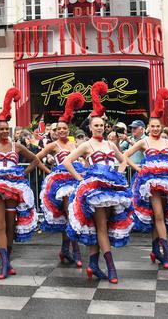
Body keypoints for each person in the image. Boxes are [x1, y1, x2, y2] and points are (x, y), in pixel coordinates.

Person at [0, 88, 48, 280]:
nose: (4, 131)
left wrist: (23, 173)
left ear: (9, 130)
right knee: (0, 224)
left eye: (6, 129)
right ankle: (4, 264)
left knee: (11, 225)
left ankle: (8, 260)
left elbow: (35, 160)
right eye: (1, 129)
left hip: (14, 187)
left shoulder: (17, 146)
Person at [64, 82, 136, 285]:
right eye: (95, 125)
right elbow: (67, 162)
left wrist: (118, 174)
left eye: (101, 125)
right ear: (90, 127)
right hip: (95, 191)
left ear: (105, 127)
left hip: (111, 189)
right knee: (102, 226)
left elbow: (123, 160)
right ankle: (111, 267)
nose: (99, 128)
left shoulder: (110, 144)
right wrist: (81, 179)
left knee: (102, 225)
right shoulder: (87, 145)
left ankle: (94, 264)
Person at [128, 88, 168, 270]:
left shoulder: (167, 142)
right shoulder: (144, 142)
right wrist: (137, 168)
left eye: (158, 126)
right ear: (148, 127)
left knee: (161, 216)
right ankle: (166, 252)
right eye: (153, 126)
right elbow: (125, 155)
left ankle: (155, 249)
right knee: (158, 215)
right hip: (150, 182)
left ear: (161, 127)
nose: (156, 129)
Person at [34, 91, 85, 267]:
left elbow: (84, 158)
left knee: (72, 215)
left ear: (68, 129)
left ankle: (65, 249)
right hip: (62, 184)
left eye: (64, 128)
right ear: (55, 131)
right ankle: (75, 251)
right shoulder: (53, 145)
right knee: (70, 215)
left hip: (76, 180)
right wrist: (49, 171)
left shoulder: (74, 144)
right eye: (59, 129)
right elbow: (36, 158)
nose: (62, 131)